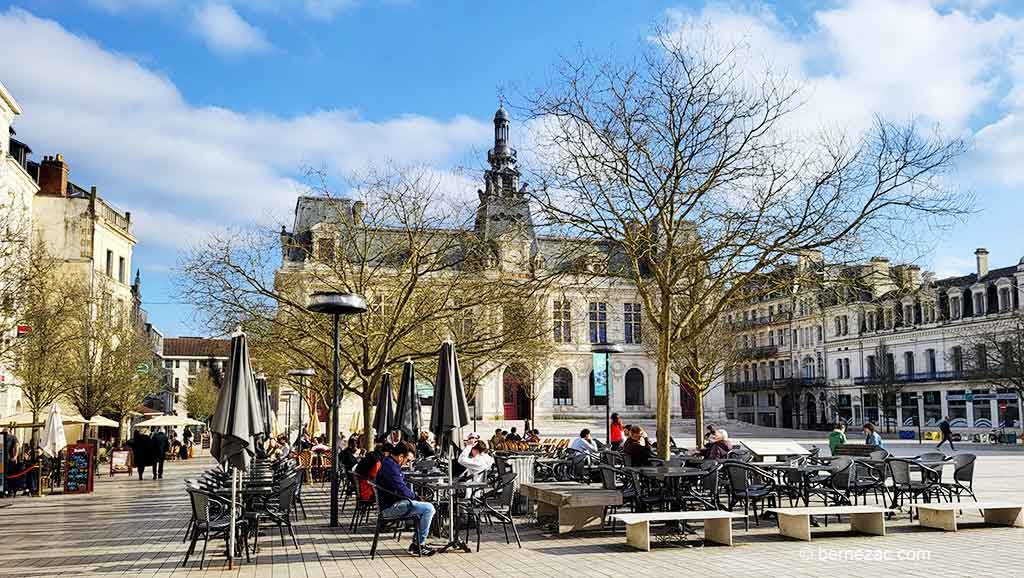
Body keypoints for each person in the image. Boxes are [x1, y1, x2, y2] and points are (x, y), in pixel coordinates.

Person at [374, 442, 436, 556]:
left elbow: (400, 488)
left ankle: (416, 543)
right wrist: (417, 497)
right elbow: (401, 489)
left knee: (424, 508)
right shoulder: (391, 467)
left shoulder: (389, 463)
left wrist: (415, 498)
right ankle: (419, 545)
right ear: (401, 456)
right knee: (429, 508)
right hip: (390, 508)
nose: (408, 463)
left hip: (392, 504)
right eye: (408, 460)